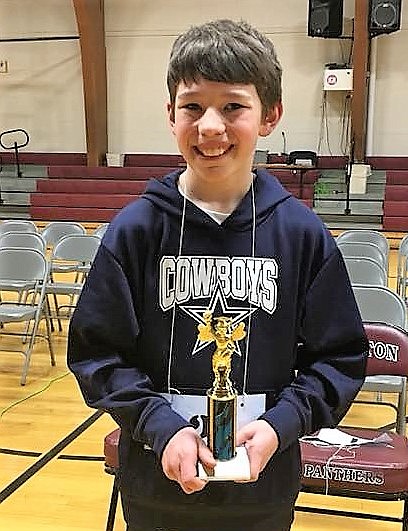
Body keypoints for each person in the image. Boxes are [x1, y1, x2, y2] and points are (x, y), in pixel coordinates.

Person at [67, 18, 368, 531]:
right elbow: (98, 353)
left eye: (232, 106)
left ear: (269, 115)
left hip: (263, 487)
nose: (209, 126)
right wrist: (159, 426)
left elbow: (339, 358)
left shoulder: (302, 235)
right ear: (170, 114)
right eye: (192, 106)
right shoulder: (135, 230)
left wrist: (281, 424)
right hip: (156, 479)